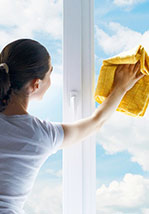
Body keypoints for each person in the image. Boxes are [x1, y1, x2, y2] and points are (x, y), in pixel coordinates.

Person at [0, 38, 144, 214]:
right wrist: (121, 87)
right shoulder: (39, 135)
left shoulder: (40, 134)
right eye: (50, 73)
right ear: (35, 84)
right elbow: (96, 122)